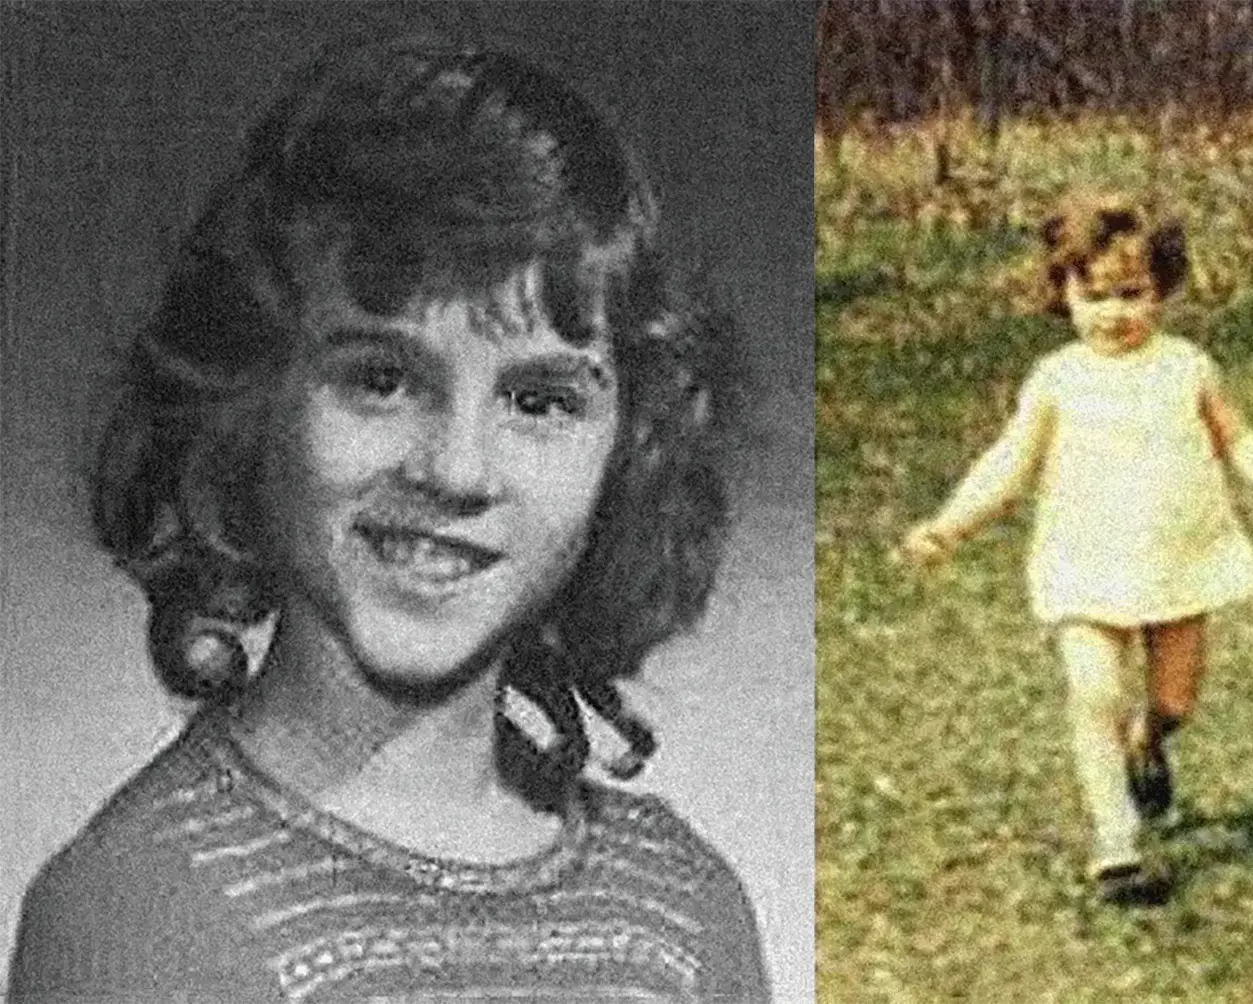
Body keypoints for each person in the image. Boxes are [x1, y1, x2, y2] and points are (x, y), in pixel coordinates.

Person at [8, 35, 770, 1002]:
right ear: (249, 403)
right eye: (380, 380)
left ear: (628, 448)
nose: (455, 469)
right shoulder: (141, 917)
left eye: (538, 401)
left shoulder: (687, 910)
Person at [900, 192, 1253, 906]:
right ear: (1063, 291)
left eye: (1131, 294)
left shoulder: (1187, 366)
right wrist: (951, 523)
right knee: (1094, 691)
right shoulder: (1058, 379)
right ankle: (1116, 842)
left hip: (1179, 559)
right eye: (1093, 295)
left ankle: (1148, 741)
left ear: (1161, 289)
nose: (1114, 313)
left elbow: (1236, 437)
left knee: (1176, 695)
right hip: (1085, 563)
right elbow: (1009, 460)